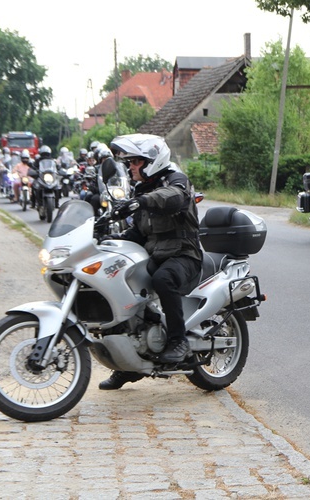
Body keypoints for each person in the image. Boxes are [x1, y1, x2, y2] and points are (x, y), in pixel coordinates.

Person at [99, 134, 202, 390]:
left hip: (184, 255)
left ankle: (179, 341)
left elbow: (173, 197)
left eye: (135, 161)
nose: (131, 166)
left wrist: (139, 201)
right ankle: (128, 363)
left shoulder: (176, 181)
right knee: (121, 284)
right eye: (130, 162)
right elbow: (139, 232)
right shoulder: (141, 189)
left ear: (152, 162)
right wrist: (109, 237)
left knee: (162, 280)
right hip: (156, 255)